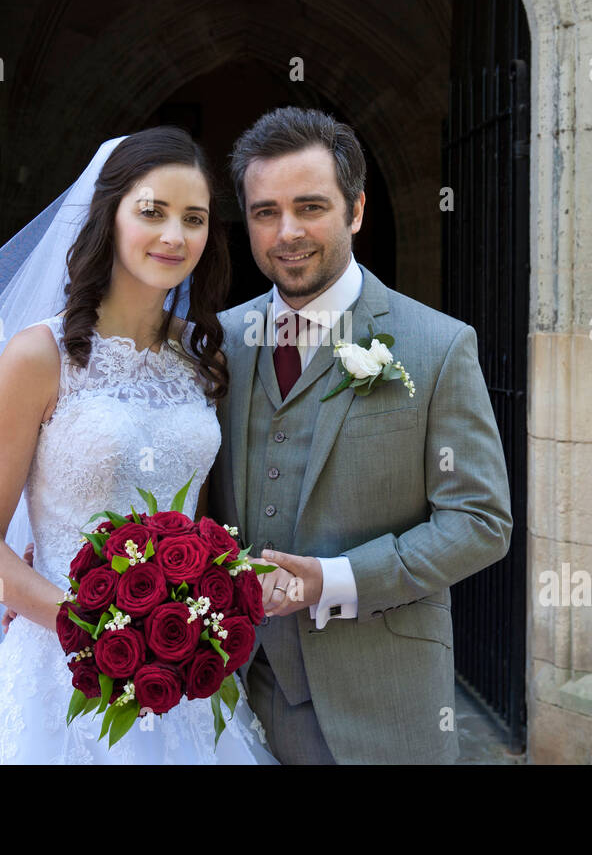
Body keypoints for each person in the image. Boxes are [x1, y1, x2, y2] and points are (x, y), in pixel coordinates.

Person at [0, 126, 278, 764]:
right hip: (60, 663)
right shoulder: (38, 357)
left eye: (195, 218)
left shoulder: (201, 358)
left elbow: (194, 523)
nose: (174, 236)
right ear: (110, 215)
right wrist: (90, 625)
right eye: (152, 212)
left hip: (180, 669)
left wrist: (200, 611)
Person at [206, 107, 513, 764]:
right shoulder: (219, 344)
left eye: (310, 206)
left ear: (356, 210)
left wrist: (332, 580)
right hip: (226, 701)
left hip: (382, 707)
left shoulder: (437, 345)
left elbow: (482, 521)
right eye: (265, 212)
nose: (287, 232)